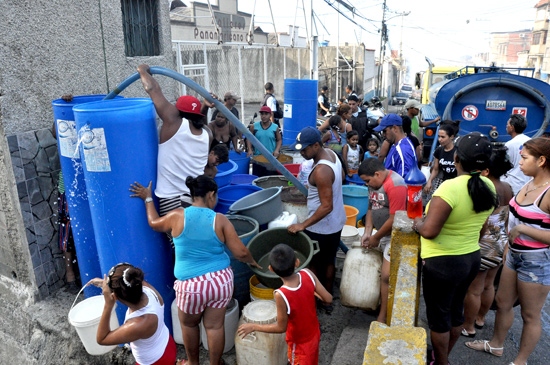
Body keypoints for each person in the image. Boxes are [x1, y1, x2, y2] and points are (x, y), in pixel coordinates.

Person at [129, 176, 260, 365]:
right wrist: (253, 261)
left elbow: (153, 223)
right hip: (219, 281)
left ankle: (193, 363)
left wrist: (148, 199)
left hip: (190, 286)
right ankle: (215, 363)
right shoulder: (220, 219)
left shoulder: (177, 216)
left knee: (189, 324)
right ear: (211, 195)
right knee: (215, 327)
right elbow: (240, 252)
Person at [413, 133, 498, 365]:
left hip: (443, 263)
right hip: (470, 258)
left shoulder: (450, 188)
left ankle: (441, 362)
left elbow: (429, 231)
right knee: (455, 311)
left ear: (457, 158)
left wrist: (417, 223)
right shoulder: (488, 185)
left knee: (439, 318)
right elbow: (481, 229)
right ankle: (443, 356)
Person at [466, 137, 550, 365]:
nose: (519, 162)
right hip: (513, 253)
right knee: (503, 303)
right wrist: (508, 243)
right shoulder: (529, 183)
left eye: (524, 158)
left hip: (536, 260)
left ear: (541, 160)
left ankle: (520, 361)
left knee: (530, 315)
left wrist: (523, 229)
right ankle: (496, 345)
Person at [137, 64, 214, 215]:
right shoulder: (208, 134)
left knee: (179, 238)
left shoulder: (174, 123)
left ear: (177, 112)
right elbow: (197, 125)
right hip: (198, 198)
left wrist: (142, 70)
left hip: (174, 200)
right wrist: (204, 106)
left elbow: (153, 89)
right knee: (196, 236)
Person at [237, 244, 332, 365]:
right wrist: (311, 291)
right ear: (297, 262)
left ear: (271, 269)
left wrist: (253, 326)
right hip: (314, 334)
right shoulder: (307, 273)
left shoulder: (281, 294)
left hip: (299, 345)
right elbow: (328, 298)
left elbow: (281, 327)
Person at [287, 127, 347, 312]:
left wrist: (302, 225)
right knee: (329, 261)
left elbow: (326, 206)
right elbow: (342, 178)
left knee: (313, 264)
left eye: (304, 149)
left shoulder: (321, 170)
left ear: (315, 145)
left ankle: (313, 302)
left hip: (321, 227)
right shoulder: (331, 154)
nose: (301, 153)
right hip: (336, 222)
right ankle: (327, 300)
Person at [462, 147, 513, 337]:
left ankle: (468, 326)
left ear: (487, 170)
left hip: (483, 244)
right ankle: (481, 318)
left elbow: (481, 222)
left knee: (474, 289)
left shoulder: (485, 188)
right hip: (499, 242)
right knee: (489, 284)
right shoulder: (507, 187)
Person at [90, 264, 176, 365]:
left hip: (155, 361)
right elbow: (128, 282)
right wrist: (107, 284)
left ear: (115, 297)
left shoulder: (139, 323)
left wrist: (108, 305)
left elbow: (102, 339)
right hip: (167, 344)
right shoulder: (145, 288)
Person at [358, 158, 407, 323]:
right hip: (381, 234)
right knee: (383, 275)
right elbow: (371, 206)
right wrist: (367, 232)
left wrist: (375, 238)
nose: (367, 184)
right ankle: (380, 307)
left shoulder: (395, 185)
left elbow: (395, 219)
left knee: (387, 276)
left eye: (367, 180)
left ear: (377, 174)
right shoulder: (374, 184)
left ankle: (384, 316)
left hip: (396, 235)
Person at [374, 114, 417, 178]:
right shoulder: (397, 145)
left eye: (385, 131)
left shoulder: (403, 150)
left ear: (394, 128)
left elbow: (403, 181)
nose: (383, 135)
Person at [502, 113, 531, 195]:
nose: (506, 126)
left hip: (512, 185)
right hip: (527, 184)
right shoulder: (530, 141)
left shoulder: (509, 144)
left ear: (512, 127)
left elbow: (504, 166)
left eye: (507, 124)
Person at [424, 124, 457, 194]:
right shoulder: (439, 151)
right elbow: (436, 169)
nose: (440, 139)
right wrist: (429, 181)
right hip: (444, 184)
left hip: (456, 185)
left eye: (443, 137)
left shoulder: (458, 152)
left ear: (451, 137)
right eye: (439, 137)